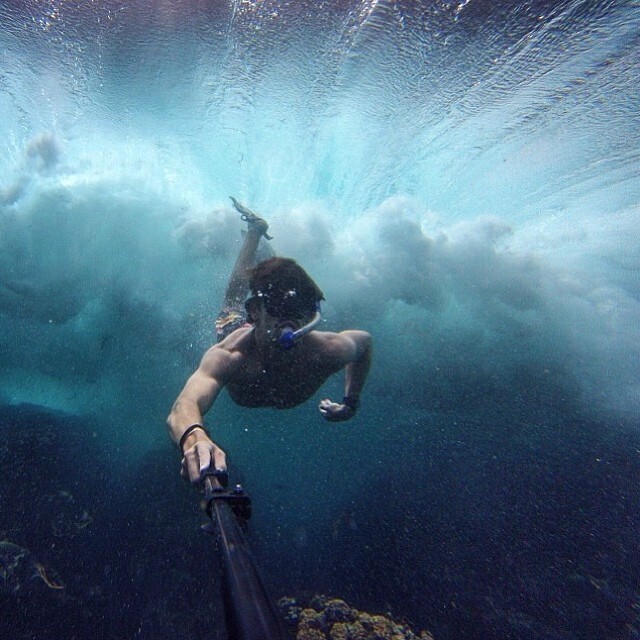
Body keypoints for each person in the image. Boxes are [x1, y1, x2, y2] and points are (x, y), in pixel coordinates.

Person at [167, 198, 372, 483]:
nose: (289, 322)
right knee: (232, 302)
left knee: (257, 290)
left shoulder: (327, 350)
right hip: (238, 327)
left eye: (300, 310)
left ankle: (267, 254)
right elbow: (184, 405)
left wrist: (351, 401)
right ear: (256, 313)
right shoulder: (231, 356)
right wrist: (195, 437)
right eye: (277, 308)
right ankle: (255, 231)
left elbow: (364, 343)